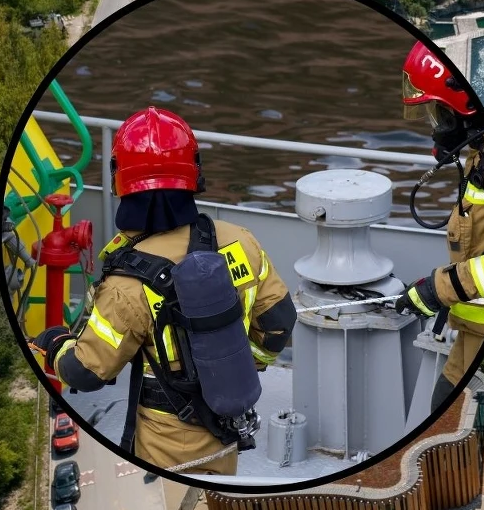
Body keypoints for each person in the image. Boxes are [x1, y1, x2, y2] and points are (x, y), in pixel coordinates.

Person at [34, 107, 297, 475]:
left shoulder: (126, 285)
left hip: (167, 446)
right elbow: (280, 322)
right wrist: (235, 366)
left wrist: (54, 344)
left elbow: (86, 373)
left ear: (119, 179)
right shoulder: (239, 242)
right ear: (194, 171)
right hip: (226, 432)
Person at [393, 42, 484, 412]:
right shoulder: (483, 154)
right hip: (472, 327)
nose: (436, 127)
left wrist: (437, 290)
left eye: (439, 116)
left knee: (446, 411)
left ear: (462, 111)